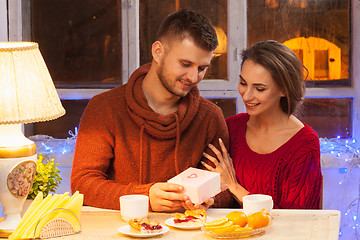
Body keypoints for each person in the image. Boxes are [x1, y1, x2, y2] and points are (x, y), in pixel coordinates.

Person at [71, 9, 236, 211]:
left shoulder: (210, 116)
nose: (193, 77)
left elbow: (226, 190)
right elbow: (82, 185)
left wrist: (209, 199)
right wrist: (145, 197)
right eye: (185, 64)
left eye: (202, 68)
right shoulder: (104, 108)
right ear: (158, 52)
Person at [202, 40, 322, 209]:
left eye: (259, 89)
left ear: (284, 89)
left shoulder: (305, 144)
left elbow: (297, 220)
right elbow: (214, 188)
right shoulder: (232, 128)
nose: (246, 95)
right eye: (243, 83)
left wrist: (235, 187)